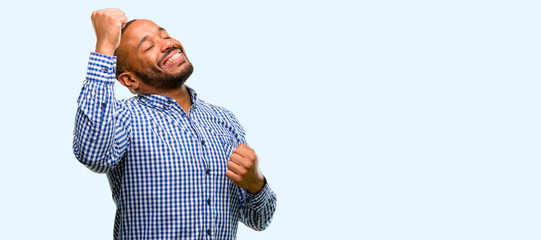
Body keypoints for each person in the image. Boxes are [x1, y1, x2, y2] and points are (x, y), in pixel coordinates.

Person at [73, 8, 276, 239]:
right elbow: (93, 155)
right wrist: (105, 47)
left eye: (165, 35)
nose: (167, 44)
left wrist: (256, 183)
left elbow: (259, 220)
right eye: (148, 46)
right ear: (130, 80)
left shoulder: (225, 121)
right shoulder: (121, 118)